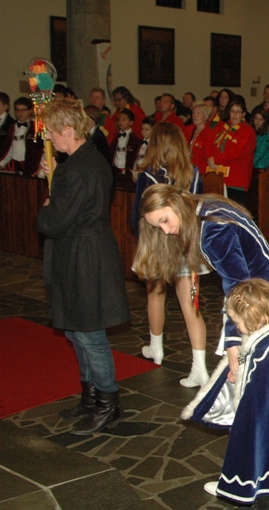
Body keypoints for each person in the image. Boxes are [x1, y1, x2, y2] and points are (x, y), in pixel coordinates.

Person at [132, 184, 269, 378]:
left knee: (254, 377)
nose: (165, 230)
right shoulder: (204, 206)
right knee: (260, 375)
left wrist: (233, 340)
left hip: (257, 301)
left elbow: (238, 285)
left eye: (165, 220)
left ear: (175, 203)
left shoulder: (213, 228)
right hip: (261, 291)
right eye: (159, 227)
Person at [37, 98, 130, 435]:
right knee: (76, 329)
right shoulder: (84, 160)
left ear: (68, 130)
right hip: (82, 251)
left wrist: (47, 205)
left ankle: (108, 404)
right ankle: (90, 398)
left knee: (90, 333)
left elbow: (54, 221)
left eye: (51, 131)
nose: (49, 137)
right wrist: (54, 178)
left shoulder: (77, 169)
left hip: (85, 256)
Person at [182, 278, 269, 506]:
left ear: (252, 317)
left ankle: (243, 485)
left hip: (260, 414)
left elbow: (254, 388)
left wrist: (241, 377)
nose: (236, 327)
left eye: (237, 321)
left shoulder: (263, 351)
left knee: (252, 443)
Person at [132, 122, 209, 387]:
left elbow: (138, 213)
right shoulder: (193, 172)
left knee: (155, 295)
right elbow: (199, 210)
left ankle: (156, 347)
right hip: (185, 242)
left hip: (157, 242)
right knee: (190, 305)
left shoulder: (148, 174)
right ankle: (199, 367)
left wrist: (141, 241)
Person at [208, 96, 256, 206]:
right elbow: (211, 143)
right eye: (232, 111)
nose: (234, 114)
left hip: (236, 179)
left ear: (243, 114)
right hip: (219, 177)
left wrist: (216, 160)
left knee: (234, 212)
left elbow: (237, 152)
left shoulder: (247, 131)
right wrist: (210, 157)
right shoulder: (223, 127)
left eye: (238, 112)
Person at [0, 96, 42, 175]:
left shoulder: (36, 127)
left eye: (23, 110)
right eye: (17, 110)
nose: (20, 113)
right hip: (15, 165)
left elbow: (41, 150)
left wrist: (41, 166)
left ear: (30, 111)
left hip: (32, 166)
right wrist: (1, 164)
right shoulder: (12, 126)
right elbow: (10, 149)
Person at [186, 103, 214, 173]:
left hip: (202, 170)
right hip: (189, 168)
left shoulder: (209, 133)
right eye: (193, 113)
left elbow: (209, 155)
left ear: (206, 116)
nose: (195, 116)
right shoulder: (189, 130)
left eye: (198, 113)